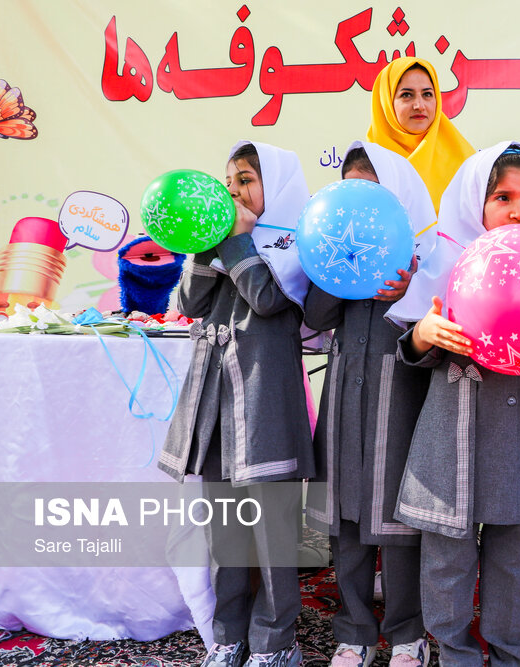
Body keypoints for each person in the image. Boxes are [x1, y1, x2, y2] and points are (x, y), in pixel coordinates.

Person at [386, 142, 520, 666]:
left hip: (519, 433)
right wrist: (424, 333)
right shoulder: (443, 266)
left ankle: (510, 652)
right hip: (453, 436)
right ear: (474, 202)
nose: (518, 211)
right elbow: (411, 353)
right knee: (447, 557)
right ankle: (456, 655)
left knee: (516, 557)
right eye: (502, 196)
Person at [159, 141, 315, 667]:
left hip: (265, 405)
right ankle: (228, 634)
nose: (233, 193)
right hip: (217, 405)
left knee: (272, 534)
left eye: (246, 180)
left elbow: (271, 301)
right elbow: (187, 303)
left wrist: (239, 243)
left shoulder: (296, 243)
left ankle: (276, 642)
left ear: (278, 185)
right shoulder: (225, 241)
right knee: (225, 528)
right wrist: (208, 244)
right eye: (228, 184)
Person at [304, 141, 437, 667]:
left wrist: (408, 288)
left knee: (399, 519)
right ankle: (354, 630)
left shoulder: (423, 257)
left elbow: (434, 326)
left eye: (374, 190)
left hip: (399, 398)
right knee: (348, 520)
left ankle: (408, 633)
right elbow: (316, 314)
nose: (364, 203)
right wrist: (336, 259)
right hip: (345, 399)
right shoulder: (335, 251)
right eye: (354, 191)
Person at [366, 57, 474, 211]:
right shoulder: (367, 164)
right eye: (406, 95)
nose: (419, 105)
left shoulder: (465, 163)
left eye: (428, 94)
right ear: (386, 102)